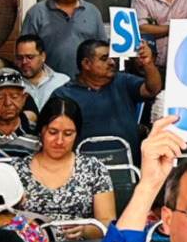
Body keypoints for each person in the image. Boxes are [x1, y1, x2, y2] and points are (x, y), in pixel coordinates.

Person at [18, 96, 116, 230]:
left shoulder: (94, 169)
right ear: (41, 131)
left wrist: (85, 230)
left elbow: (107, 222)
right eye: (52, 132)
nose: (59, 141)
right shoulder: (18, 169)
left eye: (68, 134)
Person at [51, 39, 161, 152]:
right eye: (104, 58)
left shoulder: (122, 81)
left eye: (111, 57)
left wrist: (148, 64)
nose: (112, 62)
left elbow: (152, 90)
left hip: (128, 165)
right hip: (84, 166)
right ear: (86, 64)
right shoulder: (64, 95)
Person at [21, 0, 106, 80]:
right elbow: (25, 52)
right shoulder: (36, 13)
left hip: (86, 84)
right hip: (48, 85)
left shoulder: (92, 12)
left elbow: (103, 50)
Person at [16, 33, 71, 109]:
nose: (24, 62)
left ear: (43, 57)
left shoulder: (62, 82)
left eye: (30, 57)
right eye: (19, 58)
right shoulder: (13, 85)